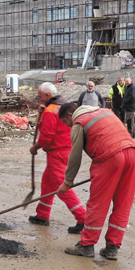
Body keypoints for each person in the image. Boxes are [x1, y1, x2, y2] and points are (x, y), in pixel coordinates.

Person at [58, 103, 135, 260]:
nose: (67, 126)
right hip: (131, 153)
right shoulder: (105, 111)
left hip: (109, 157)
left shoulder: (79, 122)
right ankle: (112, 248)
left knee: (98, 204)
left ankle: (86, 245)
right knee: (123, 203)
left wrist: (67, 182)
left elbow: (75, 157)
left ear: (69, 115)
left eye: (65, 122)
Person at [28, 82, 86, 233]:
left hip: (57, 152)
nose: (40, 100)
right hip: (67, 149)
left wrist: (35, 147)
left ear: (48, 96)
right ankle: (42, 214)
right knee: (48, 181)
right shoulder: (65, 104)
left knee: (62, 186)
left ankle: (82, 218)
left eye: (41, 97)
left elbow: (47, 135)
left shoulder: (50, 110)